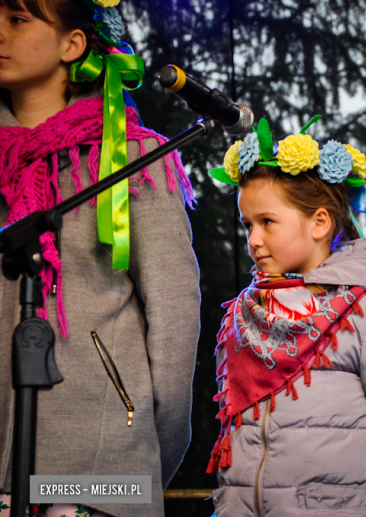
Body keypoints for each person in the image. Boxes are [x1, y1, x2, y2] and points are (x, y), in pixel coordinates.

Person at [0, 1, 200, 516]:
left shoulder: (134, 158)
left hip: (101, 471)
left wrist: (142, 458)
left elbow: (175, 322)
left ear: (73, 44)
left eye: (17, 20)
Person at [206, 116, 366, 517]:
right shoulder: (245, 313)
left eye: (267, 222)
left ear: (319, 222)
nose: (253, 239)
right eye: (248, 224)